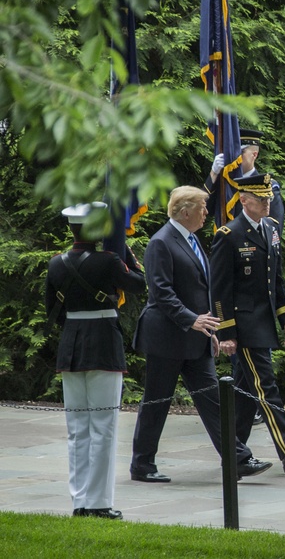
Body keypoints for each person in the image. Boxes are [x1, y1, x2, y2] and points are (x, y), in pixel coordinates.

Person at [130, 186, 272, 484]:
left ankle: (238, 459)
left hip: (196, 339)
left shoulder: (192, 240)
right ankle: (142, 464)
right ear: (184, 212)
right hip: (167, 338)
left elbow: (205, 290)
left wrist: (213, 331)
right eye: (202, 207)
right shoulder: (161, 242)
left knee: (213, 401)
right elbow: (161, 292)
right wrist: (191, 320)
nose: (207, 212)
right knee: (157, 402)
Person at [209, 174, 285, 473]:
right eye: (262, 199)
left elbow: (275, 280)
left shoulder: (271, 228)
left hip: (263, 322)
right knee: (265, 386)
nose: (269, 203)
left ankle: (235, 456)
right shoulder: (228, 235)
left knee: (245, 396)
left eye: (269, 198)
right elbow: (218, 290)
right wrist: (226, 331)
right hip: (243, 326)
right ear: (244, 200)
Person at [45, 202, 145, 520]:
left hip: (71, 348)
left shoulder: (57, 264)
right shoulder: (109, 261)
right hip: (102, 344)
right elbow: (140, 283)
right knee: (103, 427)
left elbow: (52, 312)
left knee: (78, 429)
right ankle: (99, 502)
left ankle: (80, 501)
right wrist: (126, 251)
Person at [205, 127, 285, 234]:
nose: (234, 158)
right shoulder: (224, 184)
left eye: (240, 153)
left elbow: (274, 228)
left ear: (254, 155)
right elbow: (203, 209)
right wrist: (213, 174)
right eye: (232, 153)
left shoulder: (268, 186)